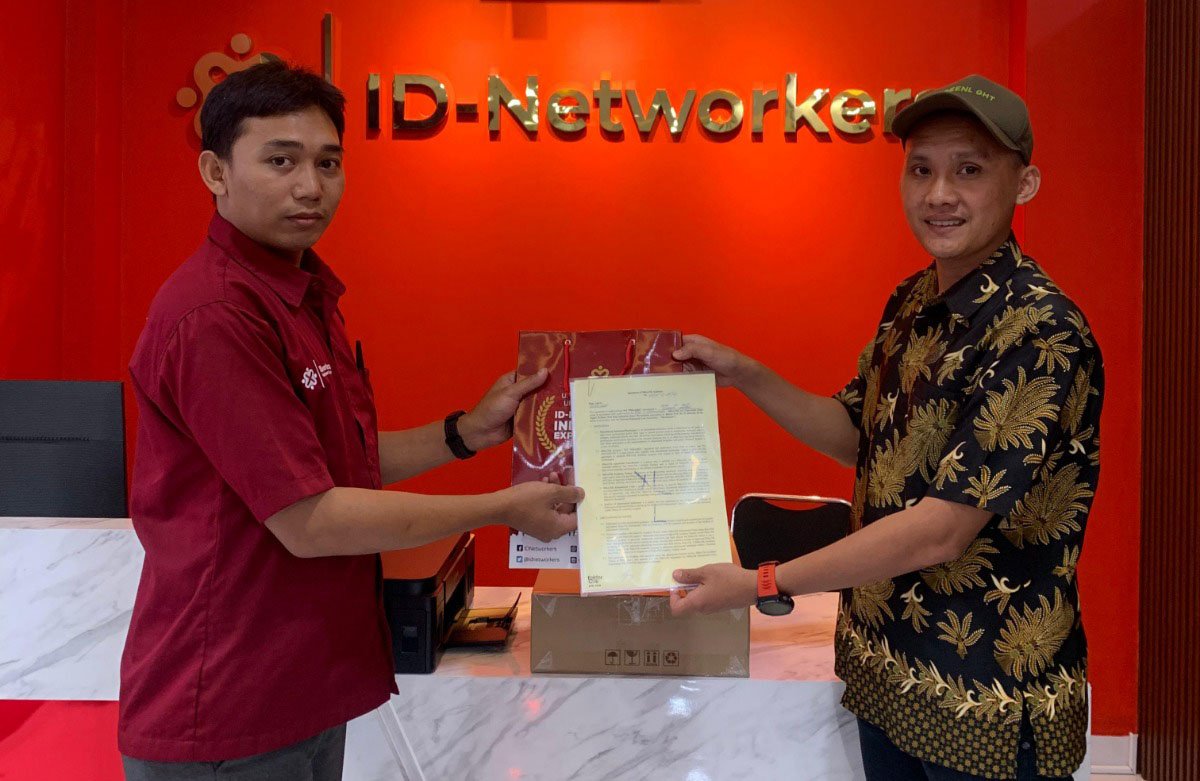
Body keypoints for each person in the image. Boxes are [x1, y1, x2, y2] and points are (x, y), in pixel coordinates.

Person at [118, 61, 581, 779]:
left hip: (302, 683)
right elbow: (312, 519)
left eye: (328, 163)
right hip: (229, 705)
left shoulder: (298, 293)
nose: (311, 186)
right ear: (215, 171)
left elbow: (334, 462)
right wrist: (501, 508)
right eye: (281, 161)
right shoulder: (216, 315)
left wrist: (467, 432)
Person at [670, 75, 1102, 781]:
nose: (939, 194)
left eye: (969, 170)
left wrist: (762, 581)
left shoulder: (1039, 331)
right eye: (921, 170)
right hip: (890, 672)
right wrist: (745, 374)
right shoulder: (913, 300)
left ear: (1024, 184)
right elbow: (855, 433)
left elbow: (942, 528)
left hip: (983, 698)